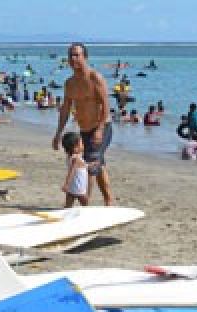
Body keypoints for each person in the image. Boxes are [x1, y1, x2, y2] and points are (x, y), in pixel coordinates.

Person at [52, 42, 114, 206]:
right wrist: (58, 133)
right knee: (97, 165)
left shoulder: (95, 78)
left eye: (77, 55)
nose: (73, 59)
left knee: (89, 167)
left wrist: (100, 129)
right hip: (84, 130)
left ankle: (85, 205)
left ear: (85, 57)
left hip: (102, 127)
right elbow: (65, 109)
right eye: (71, 55)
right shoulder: (70, 83)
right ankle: (109, 201)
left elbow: (106, 105)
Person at [61, 131, 89, 207]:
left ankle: (66, 211)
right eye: (81, 144)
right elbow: (71, 172)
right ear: (75, 148)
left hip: (72, 187)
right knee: (85, 202)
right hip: (79, 186)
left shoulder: (71, 157)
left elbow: (82, 166)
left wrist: (91, 165)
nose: (83, 145)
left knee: (69, 204)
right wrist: (66, 184)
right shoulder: (76, 159)